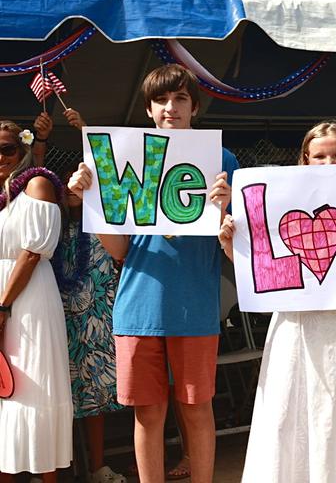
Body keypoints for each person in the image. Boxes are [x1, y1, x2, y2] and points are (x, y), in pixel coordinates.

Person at [67, 64, 236, 483]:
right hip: (138, 306)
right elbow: (121, 250)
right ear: (148, 109)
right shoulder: (125, 157)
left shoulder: (223, 161)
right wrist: (89, 198)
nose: (171, 108)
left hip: (195, 306)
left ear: (194, 107)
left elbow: (239, 247)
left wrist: (227, 209)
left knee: (197, 409)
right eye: (161, 99)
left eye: (180, 98)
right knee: (148, 411)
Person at [219, 121, 336, 483]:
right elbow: (261, 271)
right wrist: (230, 243)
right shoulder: (281, 202)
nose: (329, 163)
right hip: (297, 326)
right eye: (320, 156)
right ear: (305, 160)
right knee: (293, 414)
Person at [41, 107, 127, 483]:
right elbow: (28, 176)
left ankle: (97, 466)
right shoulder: (50, 230)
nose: (72, 190)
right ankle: (55, 469)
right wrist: (40, 140)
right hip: (54, 326)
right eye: (65, 185)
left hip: (93, 329)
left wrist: (89, 130)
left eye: (78, 184)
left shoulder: (102, 227)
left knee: (93, 404)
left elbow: (112, 173)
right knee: (52, 403)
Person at [0, 121, 71, 482]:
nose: (0, 157)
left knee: (34, 387)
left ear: (23, 149)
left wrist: (2, 307)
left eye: (7, 149)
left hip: (27, 302)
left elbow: (31, 253)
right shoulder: (1, 195)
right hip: (4, 298)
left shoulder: (37, 185)